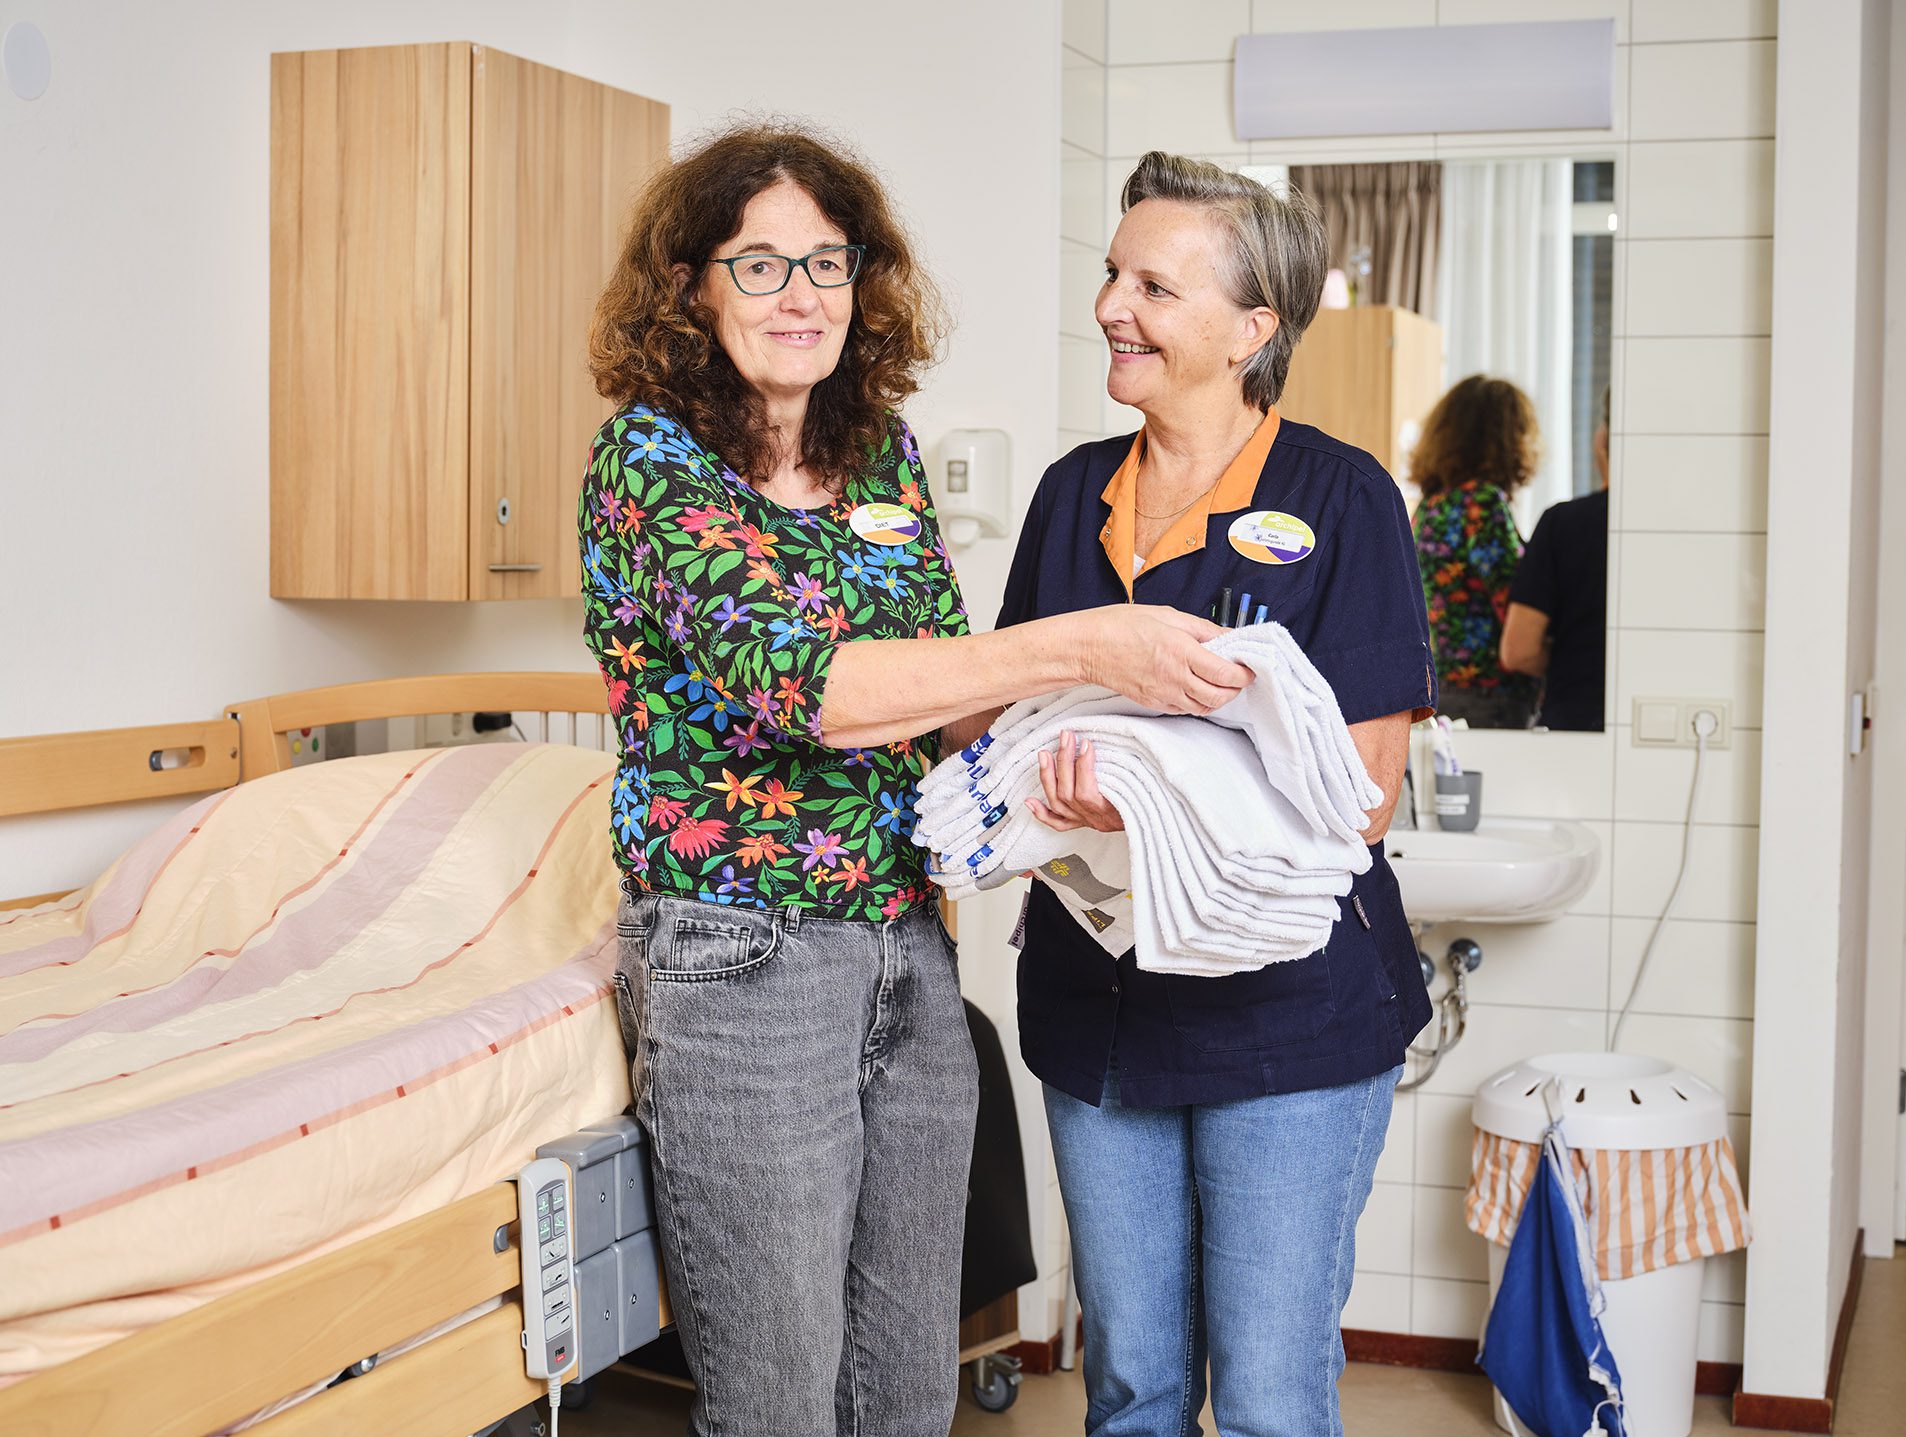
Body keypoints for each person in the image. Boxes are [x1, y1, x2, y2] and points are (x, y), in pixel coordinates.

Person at [577, 124, 1251, 1437]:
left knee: (900, 1392)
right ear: (690, 287)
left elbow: (946, 693)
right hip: (741, 955)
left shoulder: (878, 456)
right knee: (777, 1402)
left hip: (908, 944)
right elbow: (806, 687)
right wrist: (1081, 640)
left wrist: (1111, 773)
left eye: (825, 264)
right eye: (758, 265)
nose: (799, 297)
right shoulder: (650, 465)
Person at [995, 150, 1435, 1437]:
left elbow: (1361, 799)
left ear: (1252, 330)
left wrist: (1150, 788)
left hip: (1286, 1021)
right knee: (1128, 1388)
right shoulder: (1074, 491)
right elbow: (1016, 720)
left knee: (1266, 1397)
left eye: (1152, 286)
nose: (1111, 309)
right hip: (1100, 1010)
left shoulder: (1338, 496)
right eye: (1111, 275)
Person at [1408, 375, 1543, 728]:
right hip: (1491, 695)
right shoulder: (1481, 505)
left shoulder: (1429, 508)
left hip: (1441, 688)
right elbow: (1512, 601)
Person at [1502, 385, 1611, 730]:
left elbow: (1518, 649)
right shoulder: (1685, 538)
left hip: (1573, 726)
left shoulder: (1565, 525)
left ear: (1603, 440)